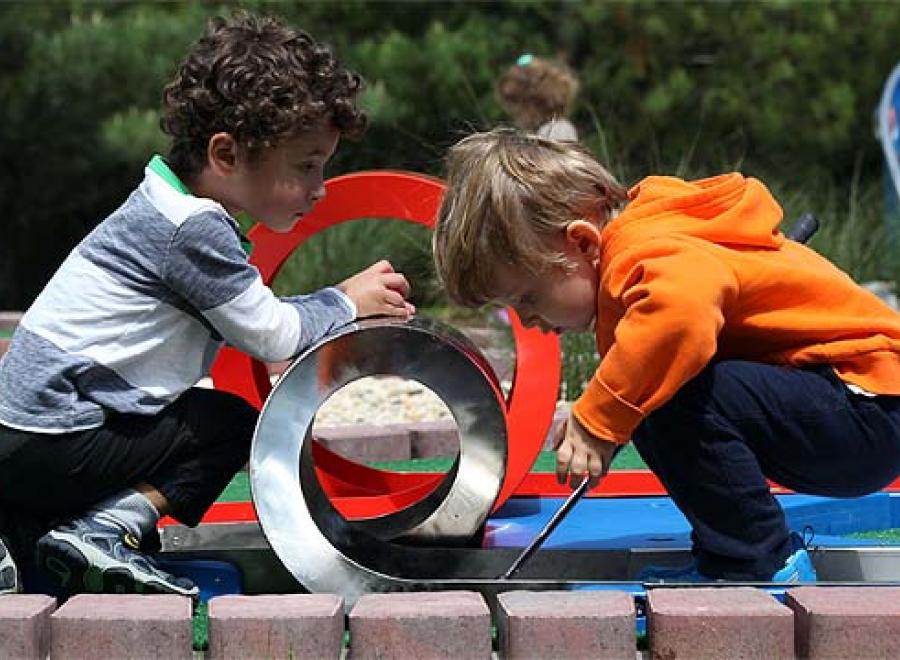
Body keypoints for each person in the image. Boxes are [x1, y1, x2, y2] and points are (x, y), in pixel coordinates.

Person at [0, 12, 415, 598]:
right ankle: (103, 530)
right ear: (226, 154)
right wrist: (345, 300)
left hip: (24, 433)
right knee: (223, 426)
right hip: (52, 435)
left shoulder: (160, 206)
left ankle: (17, 538)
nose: (319, 187)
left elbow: (244, 319)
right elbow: (269, 333)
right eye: (305, 166)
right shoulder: (190, 229)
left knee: (181, 411)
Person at [433, 128, 900, 583]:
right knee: (655, 387)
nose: (528, 319)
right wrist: (612, 413)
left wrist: (600, 417)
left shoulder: (643, 250)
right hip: (863, 406)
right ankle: (735, 552)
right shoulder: (649, 244)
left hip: (868, 407)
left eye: (528, 297)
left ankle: (753, 559)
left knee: (663, 391)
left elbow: (679, 320)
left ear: (580, 243)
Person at [497, 54, 580, 142]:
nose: (514, 112)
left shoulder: (554, 132)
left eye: (517, 104)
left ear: (533, 103)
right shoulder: (552, 129)